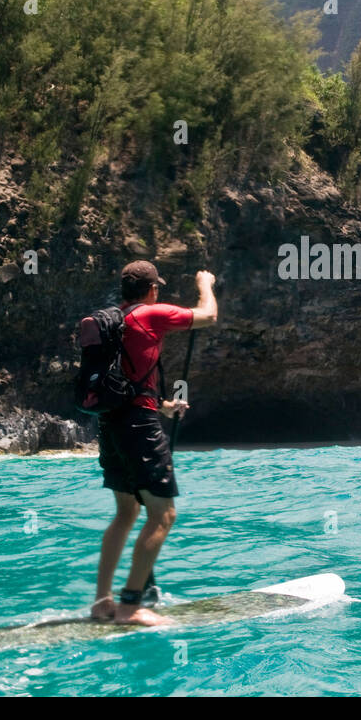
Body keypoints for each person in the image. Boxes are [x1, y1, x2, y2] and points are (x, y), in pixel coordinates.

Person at [91, 261, 217, 626]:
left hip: (111, 423)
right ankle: (131, 607)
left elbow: (124, 383)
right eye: (156, 288)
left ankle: (102, 602)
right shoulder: (151, 313)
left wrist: (162, 405)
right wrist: (204, 283)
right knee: (163, 515)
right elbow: (207, 316)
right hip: (139, 429)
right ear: (151, 290)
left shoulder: (113, 321)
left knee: (126, 513)